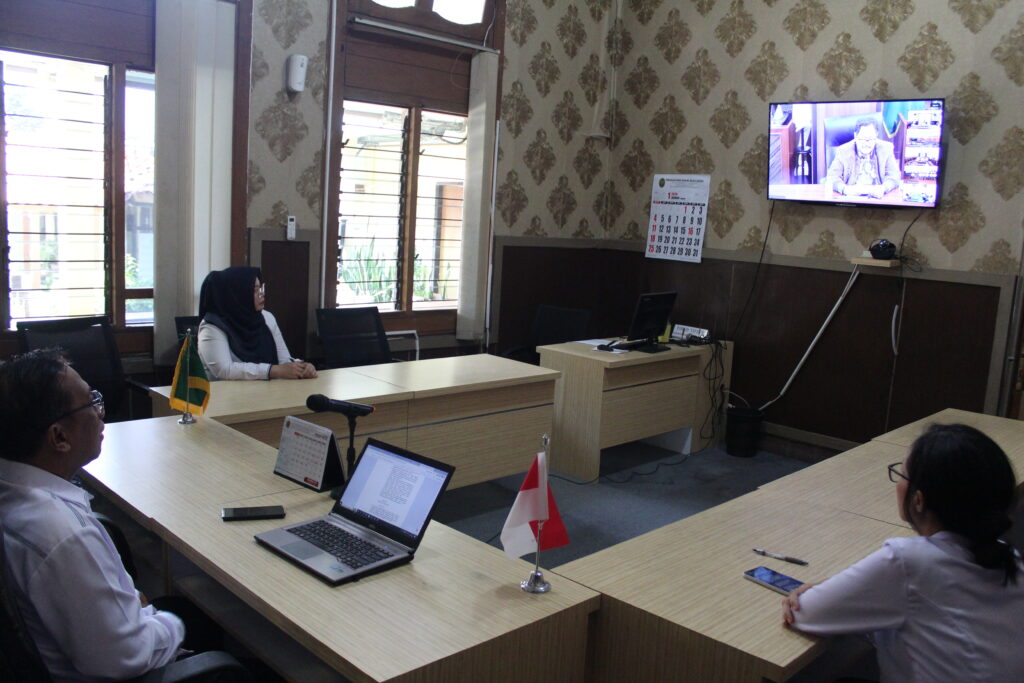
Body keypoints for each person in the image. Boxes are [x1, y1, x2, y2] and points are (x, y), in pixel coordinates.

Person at [782, 423, 1024, 682]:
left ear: (918, 499)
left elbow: (806, 613)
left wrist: (837, 592)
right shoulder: (1010, 556)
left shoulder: (909, 561)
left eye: (901, 474)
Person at [0, 349, 186, 680]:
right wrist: (172, 623)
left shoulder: (13, 488)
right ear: (59, 437)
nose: (100, 413)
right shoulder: (62, 535)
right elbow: (125, 657)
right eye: (90, 403)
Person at [197, 266, 316, 380]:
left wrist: (302, 367)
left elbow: (284, 360)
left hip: (268, 390)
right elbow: (224, 370)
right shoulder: (211, 327)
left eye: (260, 288)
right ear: (237, 294)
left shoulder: (266, 317)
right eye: (254, 290)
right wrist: (272, 371)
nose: (261, 294)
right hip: (225, 393)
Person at [825, 118, 901, 198]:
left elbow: (894, 176)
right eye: (863, 139)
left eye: (870, 139)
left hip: (877, 198)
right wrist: (845, 189)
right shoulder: (843, 151)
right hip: (852, 198)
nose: (866, 144)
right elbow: (832, 177)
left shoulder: (886, 149)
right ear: (855, 136)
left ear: (876, 135)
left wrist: (883, 188)